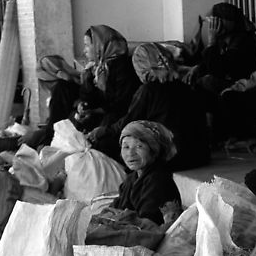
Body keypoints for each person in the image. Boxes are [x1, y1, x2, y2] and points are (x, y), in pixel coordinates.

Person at [87, 42, 210, 171]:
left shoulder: (149, 90)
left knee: (108, 144)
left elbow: (128, 123)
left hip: (172, 158)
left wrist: (103, 131)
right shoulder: (187, 87)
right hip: (199, 156)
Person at [182, 2, 256, 146]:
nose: (211, 26)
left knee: (207, 84)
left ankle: (222, 137)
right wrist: (198, 68)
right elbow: (210, 63)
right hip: (234, 85)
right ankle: (208, 136)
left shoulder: (244, 41)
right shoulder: (225, 40)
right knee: (196, 83)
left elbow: (220, 68)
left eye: (215, 22)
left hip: (250, 91)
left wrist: (212, 41)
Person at [74, 25, 140, 140]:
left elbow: (122, 104)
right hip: (105, 114)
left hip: (119, 119)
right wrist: (84, 105)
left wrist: (96, 110)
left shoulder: (122, 67)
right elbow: (89, 98)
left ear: (100, 45)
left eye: (87, 45)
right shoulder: (97, 69)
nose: (84, 51)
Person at [111, 120, 182, 226]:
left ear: (153, 150)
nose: (130, 153)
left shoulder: (158, 181)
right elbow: (114, 208)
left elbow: (147, 225)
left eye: (139, 146)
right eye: (126, 147)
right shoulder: (131, 179)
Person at [19, 55, 81, 148]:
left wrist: (45, 145)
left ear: (44, 79)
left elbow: (57, 123)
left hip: (71, 142)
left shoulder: (60, 89)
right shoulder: (74, 84)